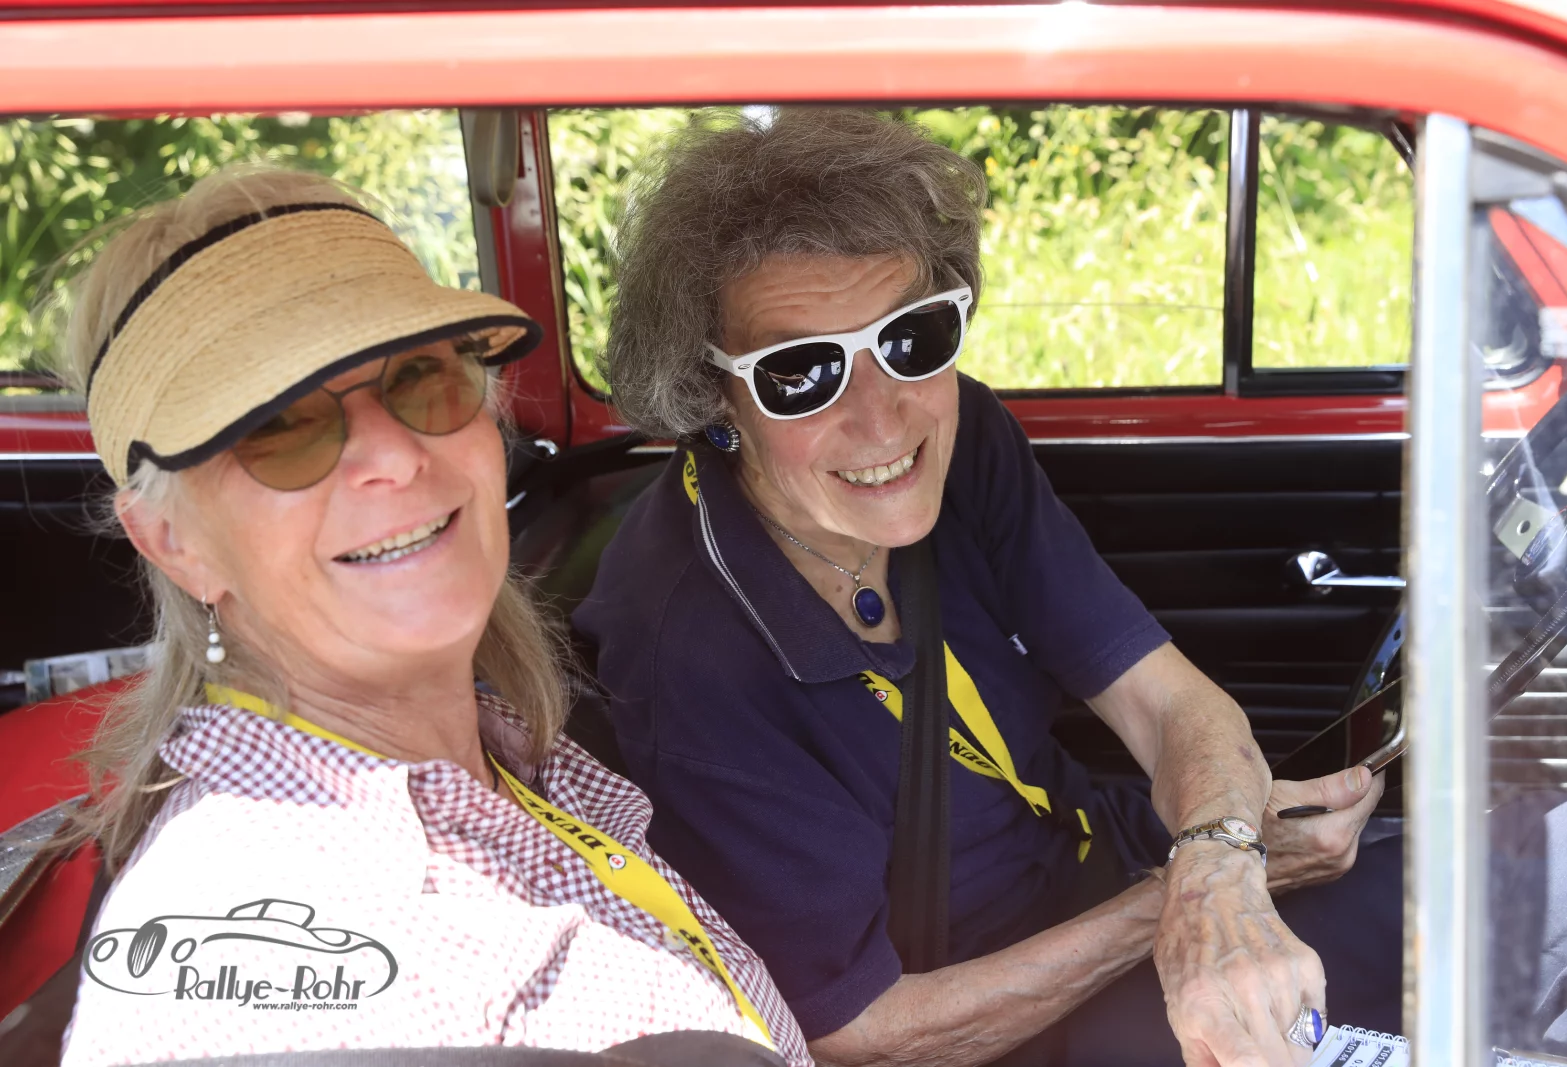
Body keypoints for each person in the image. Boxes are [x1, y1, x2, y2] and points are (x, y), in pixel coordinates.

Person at [573, 108, 1402, 1067]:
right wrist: (1181, 902)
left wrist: (1222, 864)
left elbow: (1166, 699)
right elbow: (861, 1034)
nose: (883, 418)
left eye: (912, 336)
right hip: (998, 1024)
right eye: (800, 372)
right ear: (713, 394)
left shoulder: (963, 441)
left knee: (1503, 889)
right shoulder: (690, 658)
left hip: (1114, 865)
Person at [51, 167, 808, 1067]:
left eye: (420, 378)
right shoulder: (276, 973)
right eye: (280, 425)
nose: (394, 454)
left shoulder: (503, 757)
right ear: (174, 542)